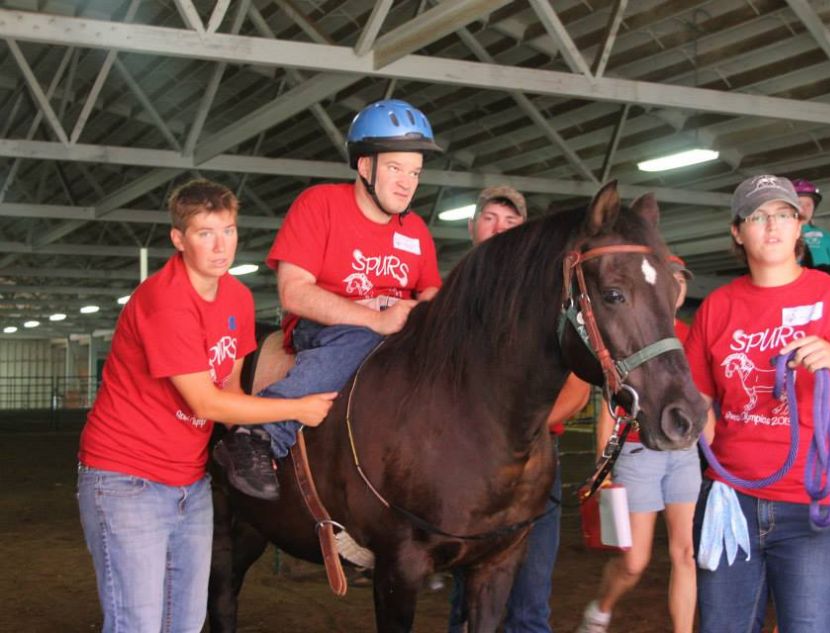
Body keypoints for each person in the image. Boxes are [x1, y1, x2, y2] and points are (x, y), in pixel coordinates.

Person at [77, 179, 336, 633]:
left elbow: (231, 388)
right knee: (136, 623)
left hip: (189, 482)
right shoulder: (166, 301)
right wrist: (296, 407)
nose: (222, 246)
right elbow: (205, 401)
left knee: (186, 621)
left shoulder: (236, 297)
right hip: (126, 480)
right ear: (179, 239)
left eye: (229, 230)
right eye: (205, 233)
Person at [685, 174, 830, 633]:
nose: (772, 226)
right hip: (730, 501)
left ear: (799, 227)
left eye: (783, 215)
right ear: (738, 232)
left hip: (816, 503)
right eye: (757, 216)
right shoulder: (717, 307)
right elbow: (698, 405)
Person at [213, 99, 443, 500]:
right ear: (365, 166)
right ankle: (259, 434)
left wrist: (423, 312)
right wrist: (373, 318)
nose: (407, 183)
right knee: (358, 339)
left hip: (396, 332)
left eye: (415, 172)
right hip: (329, 328)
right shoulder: (319, 204)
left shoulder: (416, 229)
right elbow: (294, 291)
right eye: (395, 169)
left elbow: (430, 291)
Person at [448, 185, 592, 633]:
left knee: (529, 604)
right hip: (466, 470)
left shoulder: (548, 300)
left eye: (511, 223)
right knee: (468, 603)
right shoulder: (453, 300)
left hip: (534, 461)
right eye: (490, 217)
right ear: (472, 227)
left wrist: (517, 430)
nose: (499, 228)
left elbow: (577, 389)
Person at [575, 255, 700, 633]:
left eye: (682, 280)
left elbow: (704, 397)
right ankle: (601, 609)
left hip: (683, 453)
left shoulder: (693, 335)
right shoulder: (629, 330)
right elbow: (612, 408)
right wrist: (603, 468)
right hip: (638, 450)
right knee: (633, 560)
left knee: (686, 554)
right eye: (670, 278)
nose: (677, 285)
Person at [791, 177, 830, 267]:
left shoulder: (825, 236)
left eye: (808, 204)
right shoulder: (778, 235)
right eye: (799, 203)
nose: (804, 208)